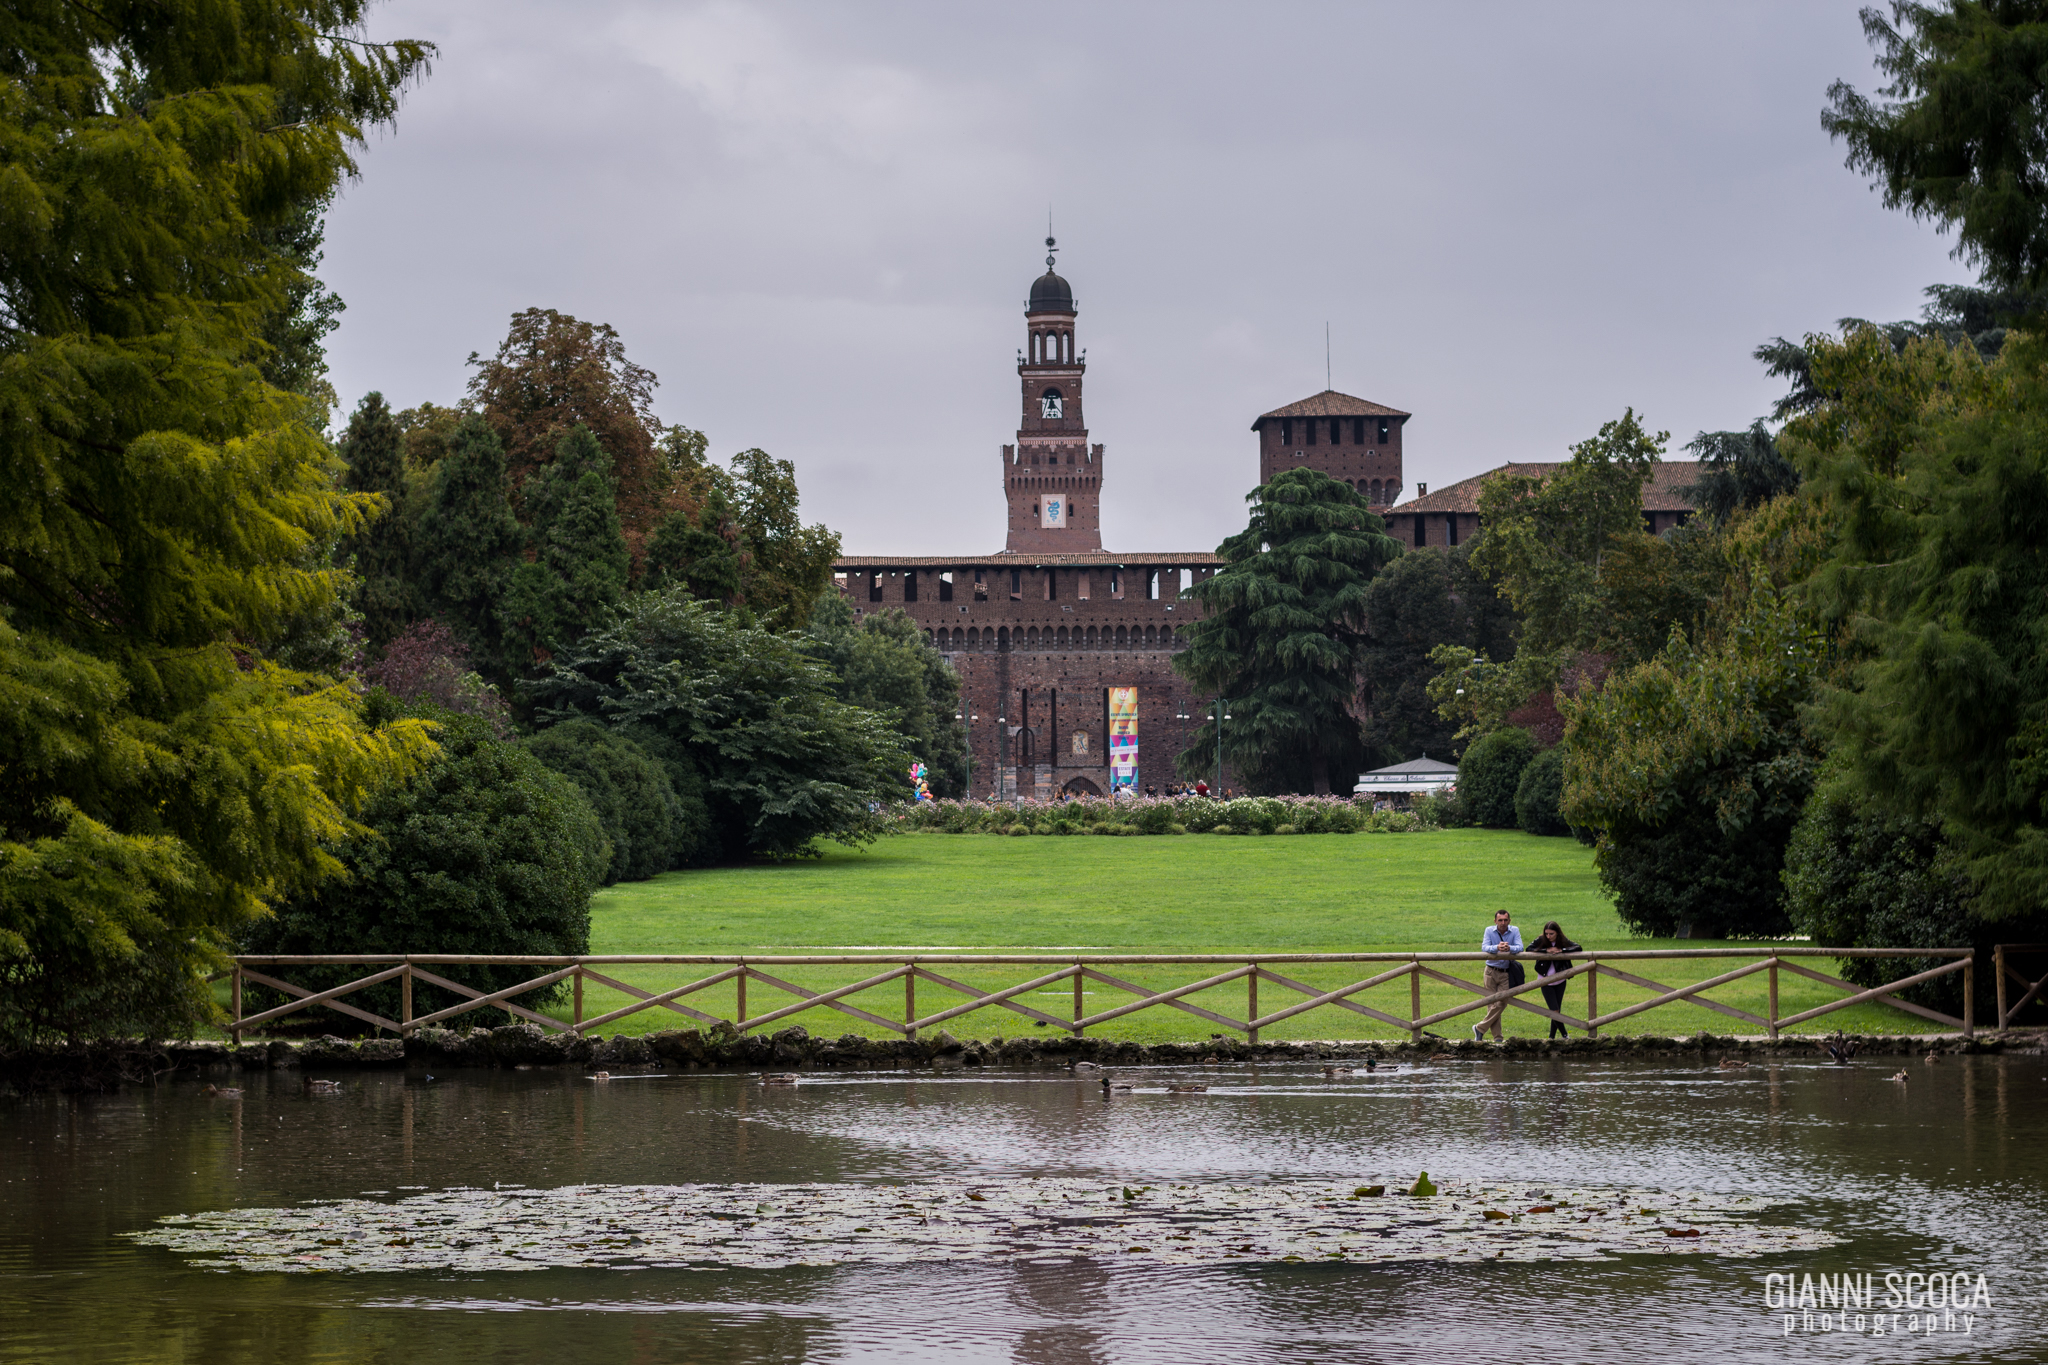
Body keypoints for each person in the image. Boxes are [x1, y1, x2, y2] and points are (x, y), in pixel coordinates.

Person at [1529, 920, 1582, 1039]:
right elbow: (1528, 949)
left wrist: (1562, 951)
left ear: (1557, 933)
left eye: (1551, 934)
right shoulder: (1541, 940)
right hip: (1545, 980)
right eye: (1546, 934)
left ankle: (1551, 1037)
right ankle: (1565, 1035)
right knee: (1554, 1010)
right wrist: (1545, 951)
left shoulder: (1562, 940)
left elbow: (1578, 947)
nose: (1548, 936)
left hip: (1560, 979)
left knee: (1557, 1009)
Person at [1475, 909, 1521, 1041]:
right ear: (1495, 921)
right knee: (1491, 1005)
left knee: (1502, 1002)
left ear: (1509, 921)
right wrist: (1497, 947)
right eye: (1500, 920)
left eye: (1505, 920)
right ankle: (1498, 1038)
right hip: (1490, 971)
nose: (1503, 923)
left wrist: (1509, 948)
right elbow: (1485, 947)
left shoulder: (1515, 930)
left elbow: (1520, 947)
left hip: (1506, 973)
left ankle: (1480, 1028)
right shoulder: (1489, 930)